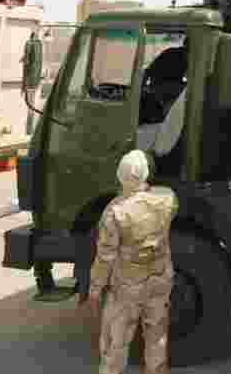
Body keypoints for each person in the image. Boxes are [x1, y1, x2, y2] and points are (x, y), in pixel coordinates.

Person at [84, 150, 179, 374]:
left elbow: (105, 258)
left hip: (127, 287)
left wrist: (95, 290)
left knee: (115, 343)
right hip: (160, 281)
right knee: (156, 339)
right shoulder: (167, 198)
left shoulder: (114, 212)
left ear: (119, 176)